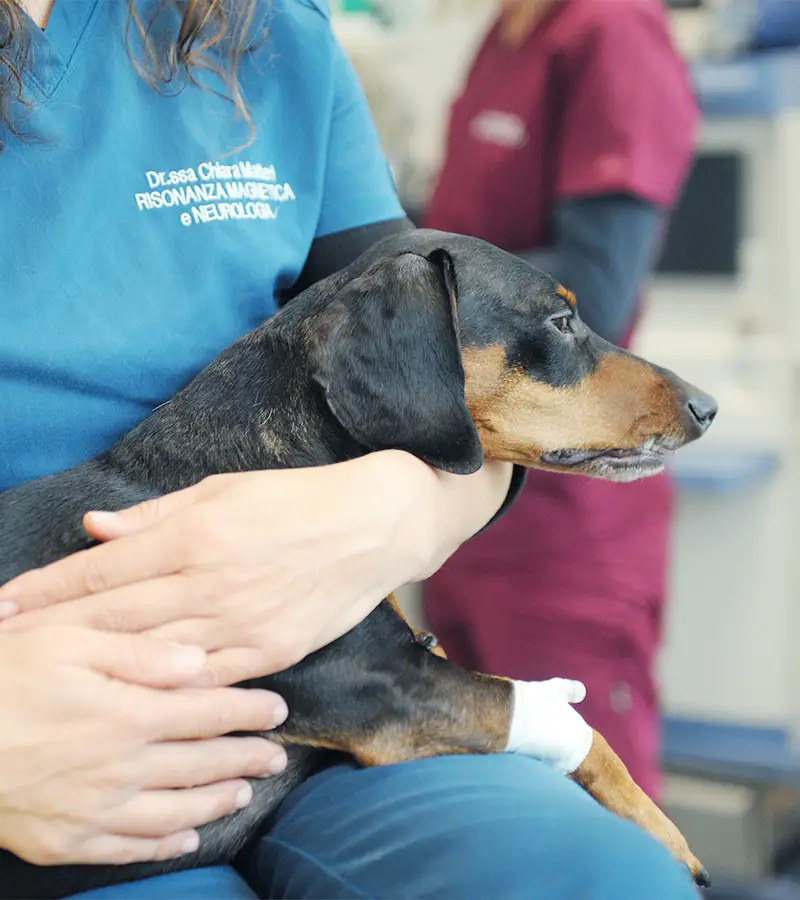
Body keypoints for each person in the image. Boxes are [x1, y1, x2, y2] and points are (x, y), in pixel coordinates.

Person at [0, 0, 698, 897]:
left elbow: (440, 354)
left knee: (596, 876)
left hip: (317, 705)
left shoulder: (269, 33)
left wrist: (390, 517)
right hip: (47, 754)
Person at [423, 0, 699, 802]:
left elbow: (596, 293)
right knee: (482, 803)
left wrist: (407, 280)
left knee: (594, 806)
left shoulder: (611, 34)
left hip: (566, 519)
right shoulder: (508, 32)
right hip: (467, 502)